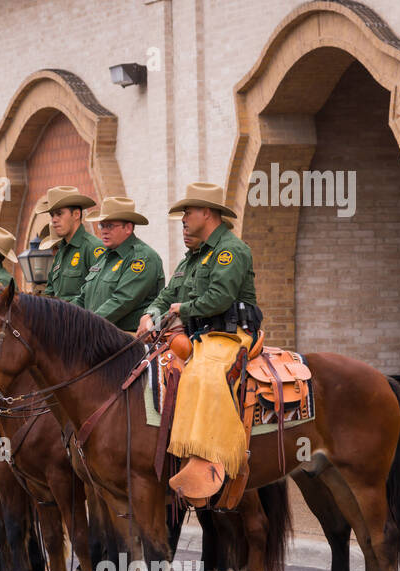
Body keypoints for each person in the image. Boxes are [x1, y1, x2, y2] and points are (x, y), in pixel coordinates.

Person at [137, 182, 259, 504]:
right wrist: (151, 315)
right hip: (199, 335)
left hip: (230, 334)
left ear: (207, 213)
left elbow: (219, 298)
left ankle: (210, 460)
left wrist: (182, 310)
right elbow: (165, 297)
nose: (183, 219)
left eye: (188, 212)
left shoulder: (230, 250)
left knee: (204, 374)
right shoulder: (192, 258)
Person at [71, 197, 163, 331]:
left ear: (128, 228)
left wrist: (86, 324)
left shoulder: (143, 258)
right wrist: (63, 316)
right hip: (99, 336)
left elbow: (122, 301)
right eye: (102, 225)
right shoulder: (104, 257)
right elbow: (83, 297)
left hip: (130, 341)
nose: (104, 231)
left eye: (110, 226)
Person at [36, 186, 104, 302]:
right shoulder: (60, 252)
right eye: (52, 215)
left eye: (59, 214)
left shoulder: (93, 248)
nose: (54, 220)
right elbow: (49, 293)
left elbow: (98, 295)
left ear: (76, 214)